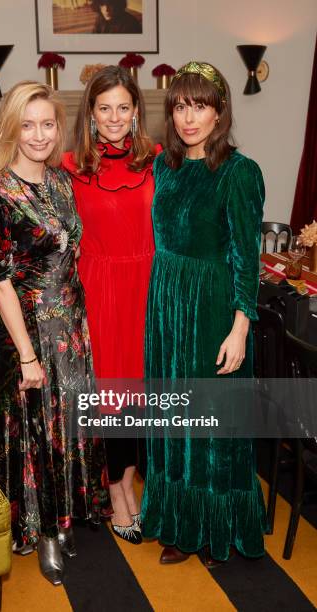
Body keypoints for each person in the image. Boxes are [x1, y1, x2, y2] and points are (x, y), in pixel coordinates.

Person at [0, 81, 107, 586]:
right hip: (25, 334)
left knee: (68, 426)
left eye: (47, 124)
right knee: (36, 431)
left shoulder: (60, 182)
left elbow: (70, 256)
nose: (39, 134)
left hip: (70, 326)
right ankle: (44, 530)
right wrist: (28, 356)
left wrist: (80, 324)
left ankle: (66, 516)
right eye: (26, 124)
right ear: (10, 127)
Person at [141, 61, 267, 566]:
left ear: (220, 112)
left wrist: (241, 327)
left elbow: (246, 257)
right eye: (179, 105)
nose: (188, 117)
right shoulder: (163, 167)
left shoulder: (240, 172)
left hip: (214, 306)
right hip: (167, 303)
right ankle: (179, 521)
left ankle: (218, 529)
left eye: (200, 106)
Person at [63, 65, 161, 544]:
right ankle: (119, 494)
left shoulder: (159, 161)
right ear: (92, 113)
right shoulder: (69, 167)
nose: (115, 117)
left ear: (137, 110)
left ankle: (130, 483)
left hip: (148, 288)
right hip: (99, 292)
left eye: (124, 107)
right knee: (111, 399)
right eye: (105, 108)